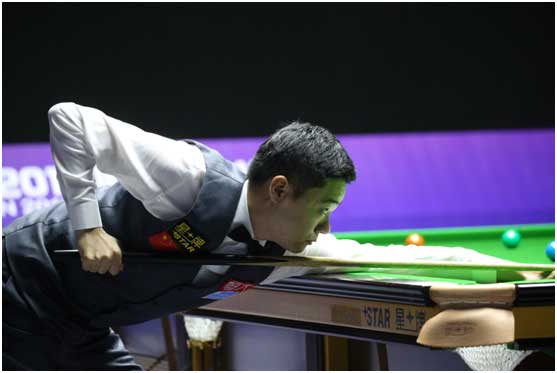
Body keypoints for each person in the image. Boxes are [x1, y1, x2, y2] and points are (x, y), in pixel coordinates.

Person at [1, 102, 542, 370]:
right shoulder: (187, 178)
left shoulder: (289, 249)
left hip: (84, 327)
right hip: (19, 289)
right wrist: (89, 226)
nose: (326, 227)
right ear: (279, 190)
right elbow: (70, 118)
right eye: (323, 208)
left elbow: (384, 255)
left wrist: (522, 277)